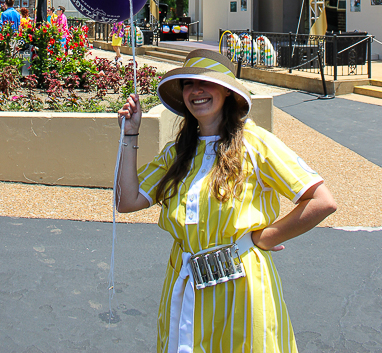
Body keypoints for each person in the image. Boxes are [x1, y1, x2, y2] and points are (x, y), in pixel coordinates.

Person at [117, 49, 337, 353]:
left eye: (206, 83)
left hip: (242, 285)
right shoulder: (177, 153)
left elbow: (322, 200)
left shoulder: (255, 143)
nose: (196, 91)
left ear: (227, 92)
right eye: (188, 84)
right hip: (186, 282)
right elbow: (126, 201)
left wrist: (265, 238)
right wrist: (130, 134)